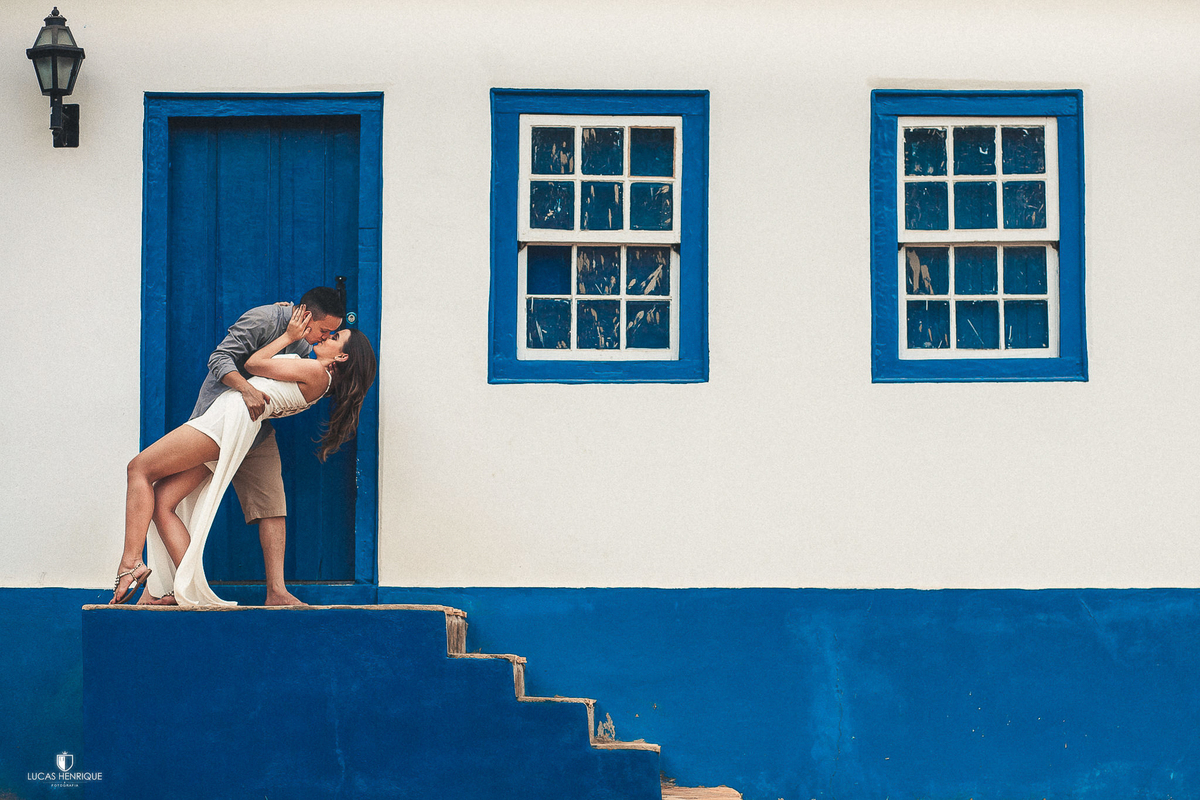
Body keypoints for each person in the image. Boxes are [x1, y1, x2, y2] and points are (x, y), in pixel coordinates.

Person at [111, 303, 376, 606]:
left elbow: (253, 363)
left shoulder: (315, 371)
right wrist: (286, 317)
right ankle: (186, 587)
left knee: (139, 468)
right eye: (326, 332)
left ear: (341, 356)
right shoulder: (317, 373)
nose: (323, 338)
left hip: (227, 420)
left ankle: (130, 562)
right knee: (163, 501)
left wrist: (288, 335)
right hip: (234, 422)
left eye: (333, 337)